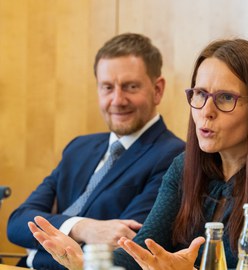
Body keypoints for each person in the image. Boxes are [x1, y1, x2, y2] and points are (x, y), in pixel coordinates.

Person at [28, 38, 248, 269]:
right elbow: (142, 250)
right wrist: (86, 262)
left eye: (226, 98)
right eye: (200, 94)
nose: (206, 112)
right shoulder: (186, 165)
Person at [8, 33, 185, 269]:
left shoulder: (175, 157)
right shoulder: (78, 148)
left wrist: (34, 253)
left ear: (158, 89)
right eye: (107, 87)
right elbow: (17, 222)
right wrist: (85, 228)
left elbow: (129, 251)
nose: (117, 100)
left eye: (130, 87)